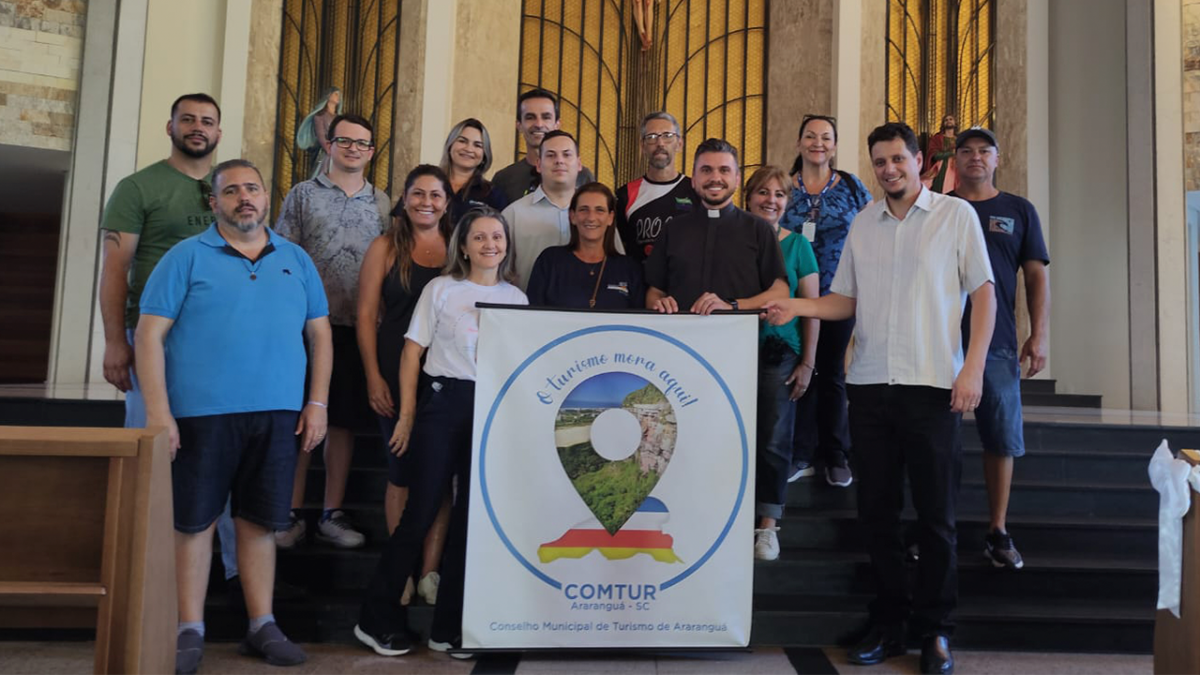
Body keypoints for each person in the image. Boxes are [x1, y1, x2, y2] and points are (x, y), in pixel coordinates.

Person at [764, 122, 995, 675]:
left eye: (898, 159)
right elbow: (845, 300)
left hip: (934, 387)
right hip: (869, 389)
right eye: (880, 162)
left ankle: (936, 631)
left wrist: (973, 369)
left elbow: (985, 294)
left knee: (936, 518)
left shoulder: (954, 216)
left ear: (919, 161)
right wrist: (798, 307)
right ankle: (889, 624)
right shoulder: (863, 222)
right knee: (877, 516)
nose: (889, 169)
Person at [136, 159, 332, 673]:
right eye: (231, 191)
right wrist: (159, 413)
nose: (244, 198)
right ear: (213, 202)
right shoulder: (184, 257)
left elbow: (320, 334)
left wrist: (317, 402)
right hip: (201, 415)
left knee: (260, 523)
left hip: (278, 414)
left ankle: (261, 625)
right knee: (195, 523)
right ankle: (188, 628)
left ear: (267, 197)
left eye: (252, 189)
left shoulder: (296, 258)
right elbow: (149, 335)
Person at [354, 207, 528, 658]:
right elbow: (411, 354)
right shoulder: (442, 289)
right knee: (421, 511)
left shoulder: (516, 299)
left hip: (490, 411)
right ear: (463, 246)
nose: (490, 244)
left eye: (497, 236)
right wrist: (408, 416)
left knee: (472, 520)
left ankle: (449, 628)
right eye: (479, 237)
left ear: (506, 245)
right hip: (442, 402)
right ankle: (376, 619)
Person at [98, 92, 246, 599]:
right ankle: (144, 569)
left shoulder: (229, 189)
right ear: (170, 127)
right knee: (155, 451)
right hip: (154, 341)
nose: (198, 127)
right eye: (188, 119)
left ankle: (233, 575)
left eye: (208, 121)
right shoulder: (139, 187)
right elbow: (116, 269)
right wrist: (114, 341)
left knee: (228, 456)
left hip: (223, 347)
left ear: (219, 132)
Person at [273, 113, 390, 551]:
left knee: (342, 423)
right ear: (330, 144)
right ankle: (289, 511)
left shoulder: (382, 202)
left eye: (362, 143)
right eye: (345, 141)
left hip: (357, 328)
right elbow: (283, 256)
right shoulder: (303, 194)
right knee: (303, 418)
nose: (353, 149)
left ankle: (331, 512)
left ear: (371, 151)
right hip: (306, 327)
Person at [950, 127, 1051, 571]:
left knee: (1002, 440)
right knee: (938, 441)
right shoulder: (940, 207)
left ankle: (998, 529)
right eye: (966, 151)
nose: (975, 157)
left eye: (984, 151)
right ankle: (937, 527)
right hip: (941, 343)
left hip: (999, 345)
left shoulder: (1018, 210)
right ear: (955, 159)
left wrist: (1039, 334)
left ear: (997, 158)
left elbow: (1036, 276)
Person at [356, 165, 456, 606]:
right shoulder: (385, 247)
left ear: (447, 203)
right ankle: (401, 571)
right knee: (400, 473)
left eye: (435, 195)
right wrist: (373, 376)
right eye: (418, 194)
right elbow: (365, 316)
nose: (426, 202)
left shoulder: (458, 246)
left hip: (445, 375)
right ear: (404, 197)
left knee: (439, 476)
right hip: (393, 371)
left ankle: (430, 571)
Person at [778, 114, 871, 488]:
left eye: (826, 137)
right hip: (792, 296)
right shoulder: (785, 186)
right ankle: (800, 453)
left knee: (831, 370)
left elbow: (871, 228)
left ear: (834, 146)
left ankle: (835, 454)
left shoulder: (851, 186)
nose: (818, 143)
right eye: (810, 136)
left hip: (838, 293)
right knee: (799, 369)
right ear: (799, 143)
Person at [743, 166, 819, 562]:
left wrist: (808, 362)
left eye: (779, 194)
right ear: (748, 198)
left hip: (780, 352)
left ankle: (767, 526)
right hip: (731, 351)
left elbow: (812, 309)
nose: (770, 200)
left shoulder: (798, 246)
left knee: (774, 439)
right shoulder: (732, 241)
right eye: (762, 192)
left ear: (787, 203)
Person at [645, 137, 788, 315]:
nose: (715, 178)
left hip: (740, 331)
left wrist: (733, 306)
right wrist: (659, 304)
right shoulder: (672, 229)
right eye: (706, 170)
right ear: (694, 179)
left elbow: (780, 291)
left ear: (737, 179)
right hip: (678, 331)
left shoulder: (759, 229)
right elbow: (654, 292)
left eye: (724, 170)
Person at [526, 182, 644, 309]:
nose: (591, 217)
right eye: (584, 209)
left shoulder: (629, 269)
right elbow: (532, 316)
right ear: (572, 216)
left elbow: (640, 319)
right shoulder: (550, 261)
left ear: (610, 218)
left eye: (600, 210)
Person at [501, 129, 583, 289]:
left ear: (579, 164)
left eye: (566, 155)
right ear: (538, 164)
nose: (559, 161)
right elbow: (500, 272)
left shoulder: (596, 214)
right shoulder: (513, 215)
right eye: (551, 155)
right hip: (528, 303)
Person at [614, 111, 696, 261]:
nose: (660, 143)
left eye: (667, 136)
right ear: (643, 146)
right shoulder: (625, 195)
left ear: (679, 144)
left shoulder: (696, 191)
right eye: (651, 137)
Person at [491, 88, 596, 204]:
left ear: (557, 124)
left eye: (546, 117)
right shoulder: (504, 179)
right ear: (519, 125)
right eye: (530, 117)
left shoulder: (582, 176)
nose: (539, 124)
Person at [440, 118, 509, 223]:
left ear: (484, 155)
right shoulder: (430, 184)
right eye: (462, 141)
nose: (469, 149)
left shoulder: (493, 195)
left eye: (477, 145)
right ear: (450, 146)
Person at [296, 86, 342, 178]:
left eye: (339, 95)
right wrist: (330, 150)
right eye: (336, 94)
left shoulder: (339, 118)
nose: (338, 97)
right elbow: (321, 136)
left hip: (338, 152)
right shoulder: (320, 116)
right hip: (326, 152)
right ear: (329, 96)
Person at [921, 113, 958, 194]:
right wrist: (950, 153)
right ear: (943, 124)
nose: (948, 121)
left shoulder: (959, 139)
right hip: (941, 170)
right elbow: (934, 155)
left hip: (955, 170)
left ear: (955, 123)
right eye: (946, 120)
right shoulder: (937, 138)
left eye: (951, 119)